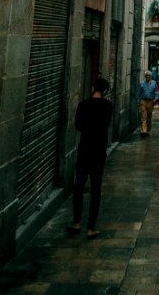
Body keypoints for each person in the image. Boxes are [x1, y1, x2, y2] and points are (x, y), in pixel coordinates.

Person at [68, 77, 113, 239]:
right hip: (98, 152)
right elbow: (107, 124)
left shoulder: (83, 105)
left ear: (93, 87)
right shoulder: (107, 106)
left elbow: (78, 126)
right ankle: (91, 227)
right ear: (105, 91)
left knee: (79, 186)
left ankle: (76, 222)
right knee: (95, 189)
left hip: (84, 150)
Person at [137, 69, 159, 136]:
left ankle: (148, 129)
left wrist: (155, 99)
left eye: (149, 75)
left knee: (149, 116)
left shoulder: (154, 83)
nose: (148, 77)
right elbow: (139, 93)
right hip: (143, 101)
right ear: (145, 76)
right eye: (146, 75)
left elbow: (157, 93)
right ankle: (144, 130)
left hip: (150, 102)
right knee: (144, 116)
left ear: (151, 76)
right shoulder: (142, 83)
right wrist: (138, 101)